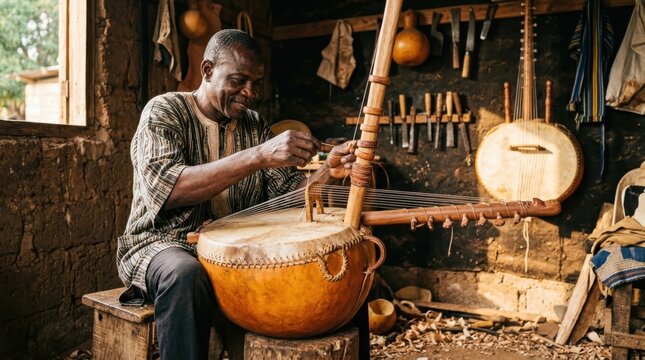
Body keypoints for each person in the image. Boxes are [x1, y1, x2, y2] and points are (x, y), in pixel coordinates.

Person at [116, 29, 367, 360]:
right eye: (238, 80)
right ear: (207, 71)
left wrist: (328, 174)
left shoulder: (254, 125)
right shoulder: (165, 111)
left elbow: (287, 199)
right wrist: (260, 155)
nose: (250, 92)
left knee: (347, 267)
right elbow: (170, 188)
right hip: (163, 244)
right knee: (185, 275)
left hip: (238, 249)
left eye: (257, 83)